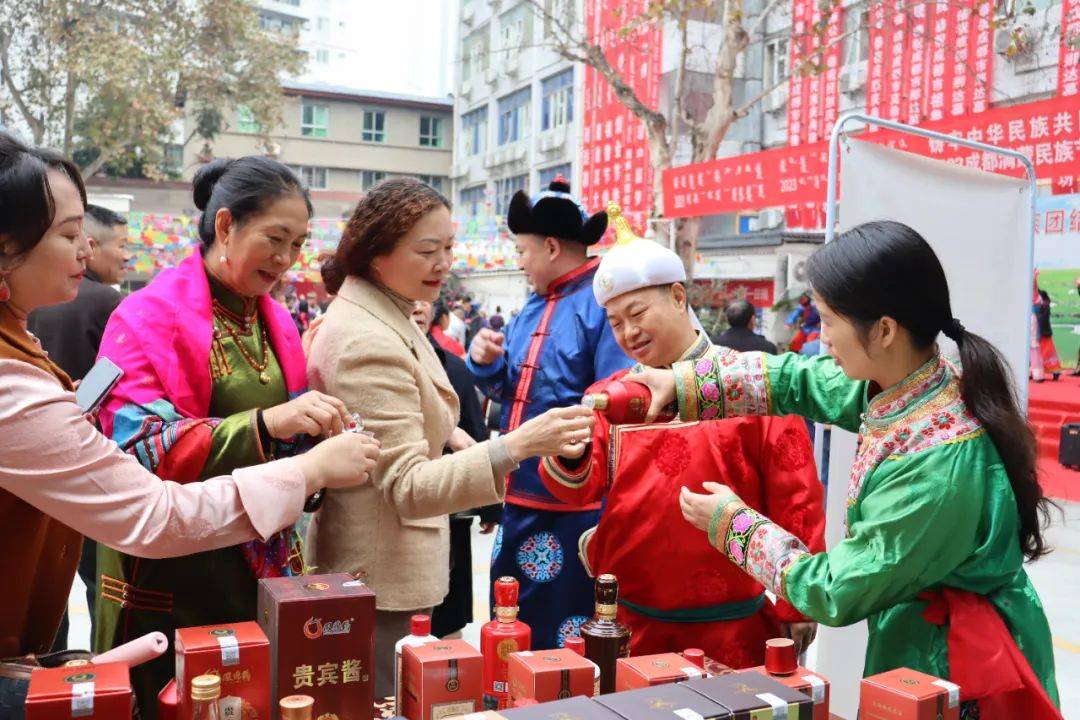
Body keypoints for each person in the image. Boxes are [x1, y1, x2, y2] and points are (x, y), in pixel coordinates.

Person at [0, 132, 376, 715]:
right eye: (275, 239)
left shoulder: (274, 321)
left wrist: (310, 440)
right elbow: (138, 451)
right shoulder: (148, 314)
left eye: (298, 244)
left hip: (246, 544)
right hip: (168, 567)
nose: (286, 259)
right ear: (225, 226)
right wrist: (277, 437)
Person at [632, 221, 1061, 719]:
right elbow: (803, 380)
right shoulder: (906, 383)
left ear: (883, 329)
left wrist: (731, 524)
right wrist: (686, 382)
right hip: (919, 637)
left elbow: (837, 589)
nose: (823, 338)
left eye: (829, 321)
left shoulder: (936, 468)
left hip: (958, 665)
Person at [306, 178, 594, 696]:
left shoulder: (391, 310)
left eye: (449, 248)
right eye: (427, 251)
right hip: (380, 572)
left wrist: (455, 435)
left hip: (546, 504)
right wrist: (517, 445)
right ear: (377, 253)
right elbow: (407, 485)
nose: (444, 263)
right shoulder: (367, 338)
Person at [538, 207, 824, 667]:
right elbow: (576, 490)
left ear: (676, 296)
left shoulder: (751, 385)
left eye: (637, 313)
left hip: (735, 625)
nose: (628, 332)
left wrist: (797, 600)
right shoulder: (610, 397)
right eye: (615, 322)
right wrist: (569, 457)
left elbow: (797, 497)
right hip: (629, 626)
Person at [467, 178, 633, 649]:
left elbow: (613, 402)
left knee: (565, 626)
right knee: (510, 613)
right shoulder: (533, 305)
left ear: (552, 246)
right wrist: (485, 362)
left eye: (522, 251)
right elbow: (510, 388)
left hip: (575, 505)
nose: (518, 261)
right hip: (519, 492)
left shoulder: (604, 304)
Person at [26, 203, 131, 650]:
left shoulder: (27, 313)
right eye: (122, 246)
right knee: (91, 573)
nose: (126, 258)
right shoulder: (108, 301)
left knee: (41, 576)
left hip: (33, 464)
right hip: (87, 455)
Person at [412, 301, 501, 638]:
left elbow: (476, 435)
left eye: (425, 300)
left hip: (449, 511)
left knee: (447, 618)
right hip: (398, 505)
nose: (418, 307)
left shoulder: (453, 367)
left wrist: (490, 505)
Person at [1031, 275, 1060, 382]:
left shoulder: (1042, 307)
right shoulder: (1042, 307)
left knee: (1042, 354)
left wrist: (1034, 280)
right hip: (1041, 334)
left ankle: (1045, 373)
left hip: (1042, 334)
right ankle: (1036, 373)